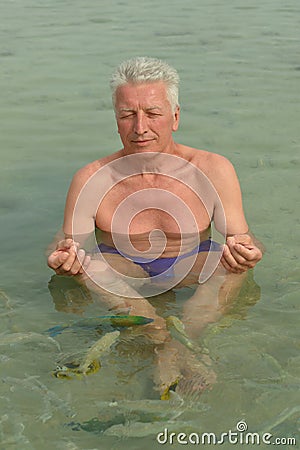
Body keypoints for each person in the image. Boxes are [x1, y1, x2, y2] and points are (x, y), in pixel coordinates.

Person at [47, 57, 263, 396]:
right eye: (128, 115)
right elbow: (67, 243)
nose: (140, 127)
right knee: (89, 266)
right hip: (124, 267)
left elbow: (240, 237)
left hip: (191, 262)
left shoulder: (213, 168)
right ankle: (162, 338)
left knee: (230, 264)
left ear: (175, 117)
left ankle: (176, 346)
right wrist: (62, 259)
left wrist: (247, 251)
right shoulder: (91, 178)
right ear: (116, 121)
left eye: (152, 113)